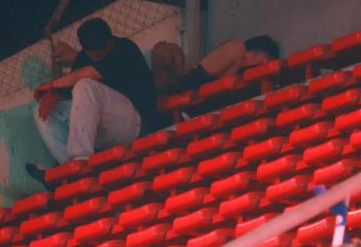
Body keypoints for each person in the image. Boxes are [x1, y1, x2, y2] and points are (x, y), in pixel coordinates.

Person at [30, 18, 161, 169]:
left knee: (84, 85)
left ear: (110, 40)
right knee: (42, 112)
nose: (103, 51)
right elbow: (66, 91)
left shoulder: (125, 48)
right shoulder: (84, 58)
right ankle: (70, 169)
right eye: (95, 52)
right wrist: (49, 94)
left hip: (136, 124)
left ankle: (79, 160)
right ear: (85, 50)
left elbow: (89, 74)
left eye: (105, 46)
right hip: (105, 133)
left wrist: (51, 85)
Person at [166, 35, 280, 95]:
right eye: (258, 55)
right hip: (182, 92)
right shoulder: (236, 53)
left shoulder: (258, 84)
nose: (261, 62)